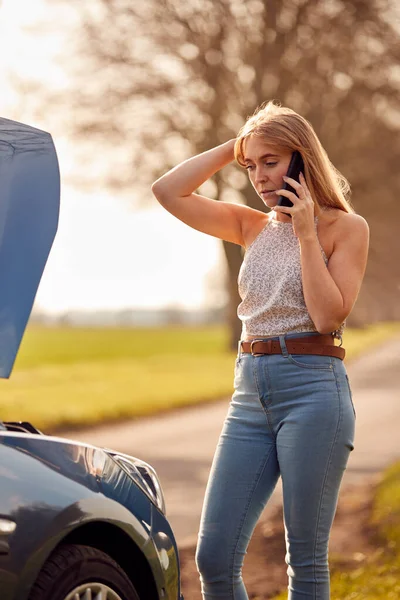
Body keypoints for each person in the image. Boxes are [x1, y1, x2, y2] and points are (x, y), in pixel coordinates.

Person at [152, 101, 369, 600]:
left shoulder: (346, 229)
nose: (259, 177)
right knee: (213, 557)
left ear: (301, 158)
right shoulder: (249, 226)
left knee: (305, 558)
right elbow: (167, 190)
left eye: (270, 162)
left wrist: (307, 233)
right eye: (252, 167)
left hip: (313, 392)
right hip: (249, 393)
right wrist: (237, 146)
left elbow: (327, 317)